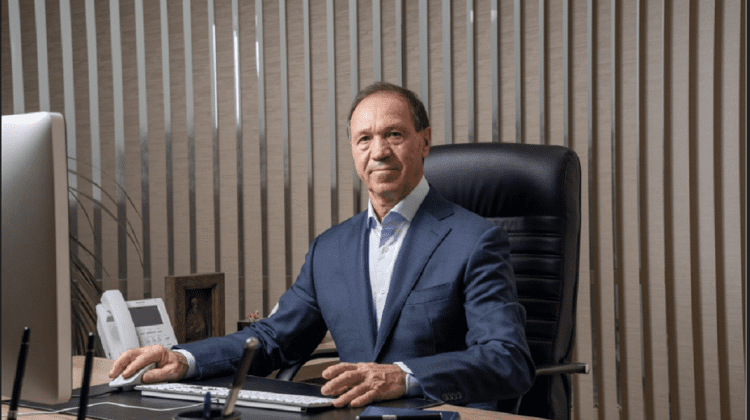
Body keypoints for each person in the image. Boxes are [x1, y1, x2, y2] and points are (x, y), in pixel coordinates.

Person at [109, 82, 535, 411]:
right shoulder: (329, 249)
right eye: (364, 139)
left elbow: (507, 359)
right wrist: (185, 359)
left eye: (394, 134)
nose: (379, 151)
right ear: (353, 150)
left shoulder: (475, 240)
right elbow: (272, 339)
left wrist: (402, 376)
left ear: (424, 141)